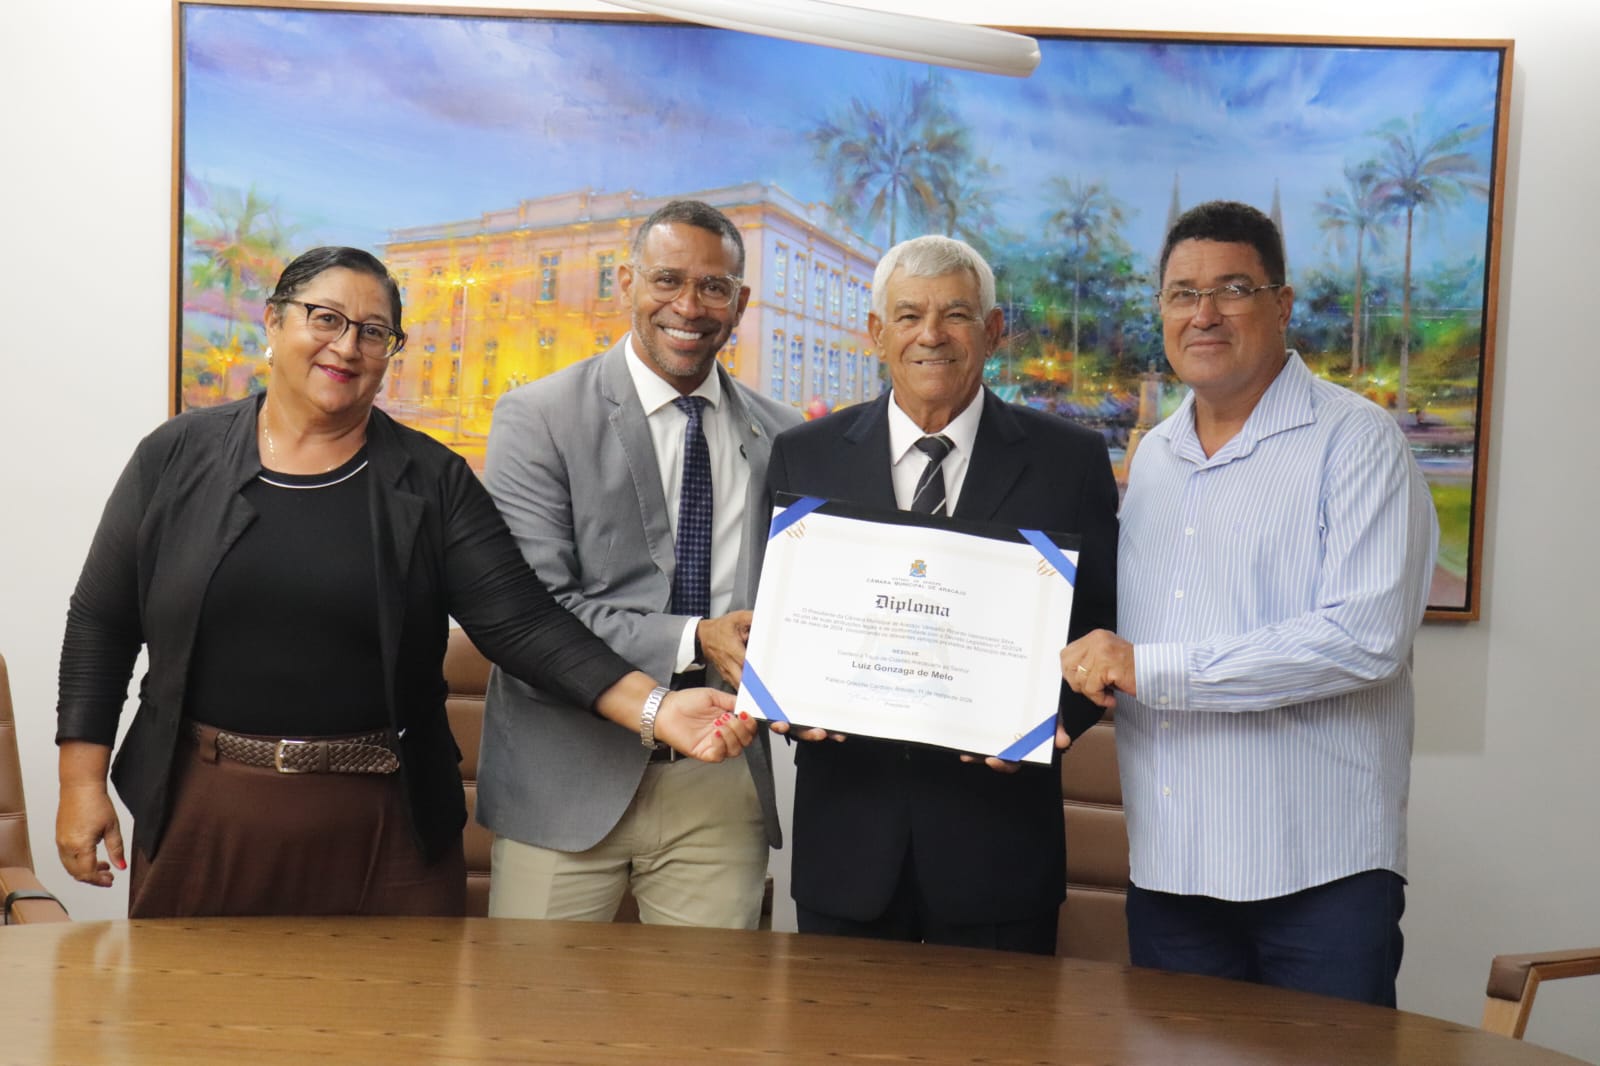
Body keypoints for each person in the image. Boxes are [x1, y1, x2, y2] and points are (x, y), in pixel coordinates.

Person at [54, 246, 753, 918]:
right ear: (274, 320)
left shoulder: (432, 482)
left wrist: (657, 708)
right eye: (325, 318)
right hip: (202, 809)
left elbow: (523, 625)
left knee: (396, 1006)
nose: (346, 346)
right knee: (186, 1003)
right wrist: (80, 783)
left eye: (373, 332)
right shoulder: (177, 455)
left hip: (385, 826)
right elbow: (101, 620)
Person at [1060, 201, 1438, 1006]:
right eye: (1181, 293)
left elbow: (1364, 638)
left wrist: (1151, 669)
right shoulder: (1154, 460)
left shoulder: (1357, 441)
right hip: (1171, 869)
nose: (1203, 314)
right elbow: (1119, 630)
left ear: (1282, 304)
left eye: (1232, 289)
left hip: (1319, 873)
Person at [764, 235, 1119, 955]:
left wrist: (1053, 722)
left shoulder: (1070, 461)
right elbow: (779, 621)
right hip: (847, 845)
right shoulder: (805, 455)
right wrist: (785, 699)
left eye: (956, 314)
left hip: (1000, 847)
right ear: (877, 332)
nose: (931, 335)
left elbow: (1101, 624)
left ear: (993, 331)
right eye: (907, 316)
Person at [477, 201, 802, 928]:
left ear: (741, 302)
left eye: (714, 287)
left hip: (719, 780)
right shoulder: (538, 417)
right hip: (565, 773)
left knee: (704, 1002)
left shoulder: (783, 436)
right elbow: (533, 608)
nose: (689, 305)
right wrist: (696, 637)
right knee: (534, 1001)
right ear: (628, 282)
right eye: (667, 279)